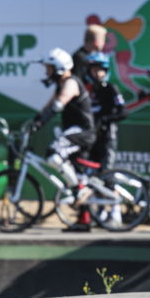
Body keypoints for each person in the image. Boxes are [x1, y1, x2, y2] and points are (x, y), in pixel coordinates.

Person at [32, 47, 96, 232]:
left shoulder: (71, 82)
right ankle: (84, 220)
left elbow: (59, 104)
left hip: (82, 132)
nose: (47, 72)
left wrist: (42, 122)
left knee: (53, 154)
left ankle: (79, 190)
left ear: (59, 67)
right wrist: (36, 120)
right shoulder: (61, 84)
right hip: (75, 132)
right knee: (78, 173)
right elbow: (48, 105)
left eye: (49, 68)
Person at [84, 52, 128, 170]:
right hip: (91, 137)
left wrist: (104, 119)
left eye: (100, 70)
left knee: (106, 174)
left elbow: (123, 112)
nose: (98, 74)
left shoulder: (111, 89)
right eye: (94, 70)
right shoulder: (86, 89)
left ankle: (111, 187)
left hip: (107, 136)